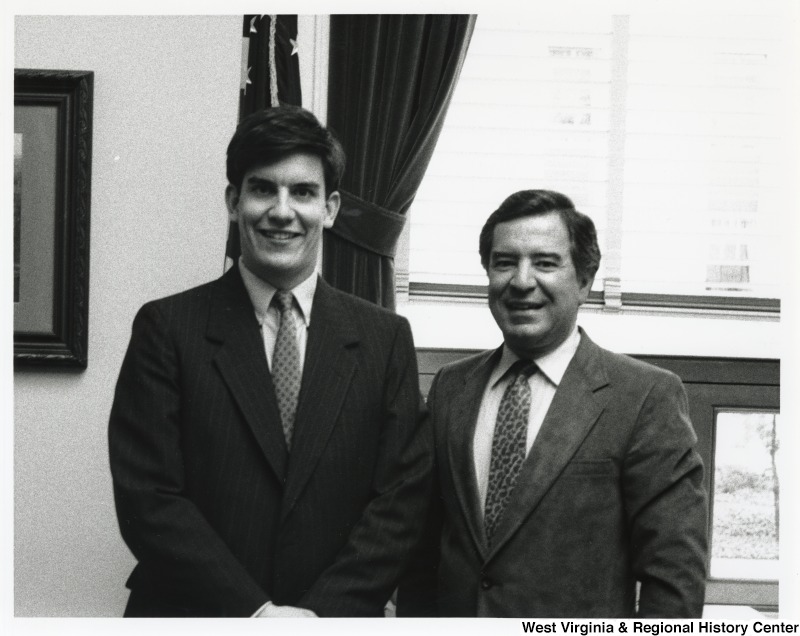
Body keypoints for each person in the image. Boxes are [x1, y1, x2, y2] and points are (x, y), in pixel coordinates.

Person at [108, 105, 430, 617]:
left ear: (330, 208)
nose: (282, 211)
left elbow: (399, 503)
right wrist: (257, 614)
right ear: (234, 202)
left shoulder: (384, 338)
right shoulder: (166, 328)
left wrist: (317, 617)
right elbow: (149, 499)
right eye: (263, 189)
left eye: (303, 192)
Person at [397, 189, 708, 618]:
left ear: (584, 281)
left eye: (545, 263)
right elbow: (421, 553)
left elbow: (674, 579)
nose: (522, 281)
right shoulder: (452, 386)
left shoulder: (645, 397)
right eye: (504, 262)